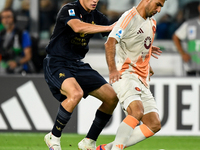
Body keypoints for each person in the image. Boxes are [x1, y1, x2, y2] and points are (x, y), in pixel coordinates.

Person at [43, 0, 118, 150]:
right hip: (57, 62)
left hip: (77, 64)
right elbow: (77, 27)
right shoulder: (69, 9)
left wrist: (144, 49)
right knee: (76, 93)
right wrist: (109, 27)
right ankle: (54, 137)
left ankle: (89, 141)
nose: (95, 0)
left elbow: (117, 35)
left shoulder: (97, 17)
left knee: (112, 97)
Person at [96, 0, 166, 150]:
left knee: (154, 124)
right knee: (136, 111)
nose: (159, 10)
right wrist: (113, 69)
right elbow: (110, 42)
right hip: (125, 74)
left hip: (142, 78)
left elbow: (137, 44)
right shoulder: (129, 17)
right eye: (158, 4)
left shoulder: (152, 22)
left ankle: (106, 148)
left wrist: (147, 60)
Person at [0, 8, 33, 74]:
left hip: (21, 66)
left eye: (8, 17)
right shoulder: (1, 34)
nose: (6, 20)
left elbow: (28, 56)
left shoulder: (22, 33)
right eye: (3, 18)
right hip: (5, 64)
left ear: (14, 18)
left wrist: (16, 63)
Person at [173, 3, 200, 76]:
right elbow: (176, 37)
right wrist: (182, 53)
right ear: (199, 8)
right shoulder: (189, 24)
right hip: (192, 63)